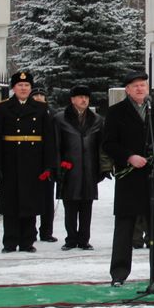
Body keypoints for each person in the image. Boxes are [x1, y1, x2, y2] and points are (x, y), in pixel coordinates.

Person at [102, 71, 154, 286]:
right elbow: (108, 143)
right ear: (127, 90)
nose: (140, 89)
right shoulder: (116, 112)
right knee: (125, 227)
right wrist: (129, 157)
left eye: (143, 85)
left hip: (153, 176)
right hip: (129, 176)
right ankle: (119, 273)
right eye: (135, 86)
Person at [0, 71, 56, 253]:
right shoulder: (3, 108)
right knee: (10, 203)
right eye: (20, 85)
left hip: (33, 162)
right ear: (13, 88)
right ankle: (10, 241)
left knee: (30, 202)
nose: (23, 88)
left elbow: (49, 139)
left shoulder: (41, 108)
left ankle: (27, 241)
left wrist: (49, 164)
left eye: (27, 85)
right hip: (10, 161)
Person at [53, 85, 106, 251]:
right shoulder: (60, 119)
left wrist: (103, 168)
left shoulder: (97, 119)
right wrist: (57, 167)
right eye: (80, 97)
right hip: (69, 169)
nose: (84, 100)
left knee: (86, 206)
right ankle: (71, 239)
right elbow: (55, 145)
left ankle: (84, 239)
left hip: (89, 168)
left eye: (86, 97)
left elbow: (101, 146)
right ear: (72, 99)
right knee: (70, 206)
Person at [29, 87, 57, 243]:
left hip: (48, 162)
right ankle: (30, 231)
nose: (39, 97)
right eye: (36, 95)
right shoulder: (27, 113)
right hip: (32, 161)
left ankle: (46, 232)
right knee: (31, 198)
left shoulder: (52, 114)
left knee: (47, 199)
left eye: (41, 95)